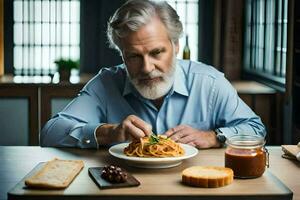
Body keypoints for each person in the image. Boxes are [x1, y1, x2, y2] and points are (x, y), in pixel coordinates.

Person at [40, 0, 266, 149]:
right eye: (134, 57)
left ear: (176, 46)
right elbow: (49, 134)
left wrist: (214, 137)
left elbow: (256, 130)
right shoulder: (106, 83)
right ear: (122, 55)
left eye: (157, 52)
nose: (147, 68)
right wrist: (108, 133)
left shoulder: (210, 82)